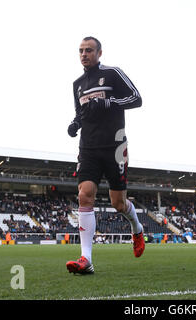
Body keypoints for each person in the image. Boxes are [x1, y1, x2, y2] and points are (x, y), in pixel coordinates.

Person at [66, 36, 144, 274]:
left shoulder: (113, 74)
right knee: (84, 195)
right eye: (80, 50)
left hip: (115, 146)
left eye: (89, 50)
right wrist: (75, 123)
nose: (84, 54)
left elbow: (136, 99)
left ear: (99, 53)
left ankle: (137, 228)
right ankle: (85, 260)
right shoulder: (77, 83)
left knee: (118, 203)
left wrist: (109, 102)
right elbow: (82, 112)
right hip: (88, 147)